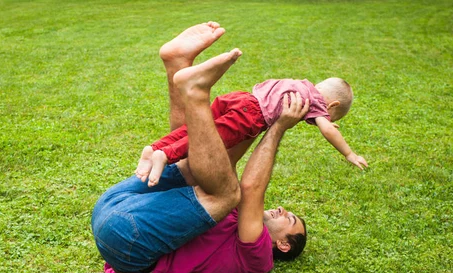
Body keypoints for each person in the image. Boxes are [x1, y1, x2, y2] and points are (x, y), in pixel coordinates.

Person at [91, 22, 308, 273]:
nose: (282, 209)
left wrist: (278, 127)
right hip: (117, 215)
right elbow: (211, 159)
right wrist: (260, 116)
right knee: (200, 169)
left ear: (284, 246)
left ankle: (193, 90)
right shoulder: (225, 220)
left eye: (290, 219)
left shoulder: (259, 257)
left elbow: (251, 188)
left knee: (229, 192)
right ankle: (178, 66)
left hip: (126, 236)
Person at [136, 54, 368, 188]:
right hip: (250, 115)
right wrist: (349, 153)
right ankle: (165, 155)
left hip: (240, 97)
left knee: (196, 127)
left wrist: (326, 121)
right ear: (332, 105)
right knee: (209, 139)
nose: (324, 119)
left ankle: (155, 148)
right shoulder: (317, 102)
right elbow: (327, 130)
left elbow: (322, 122)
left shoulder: (303, 85)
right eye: (330, 115)